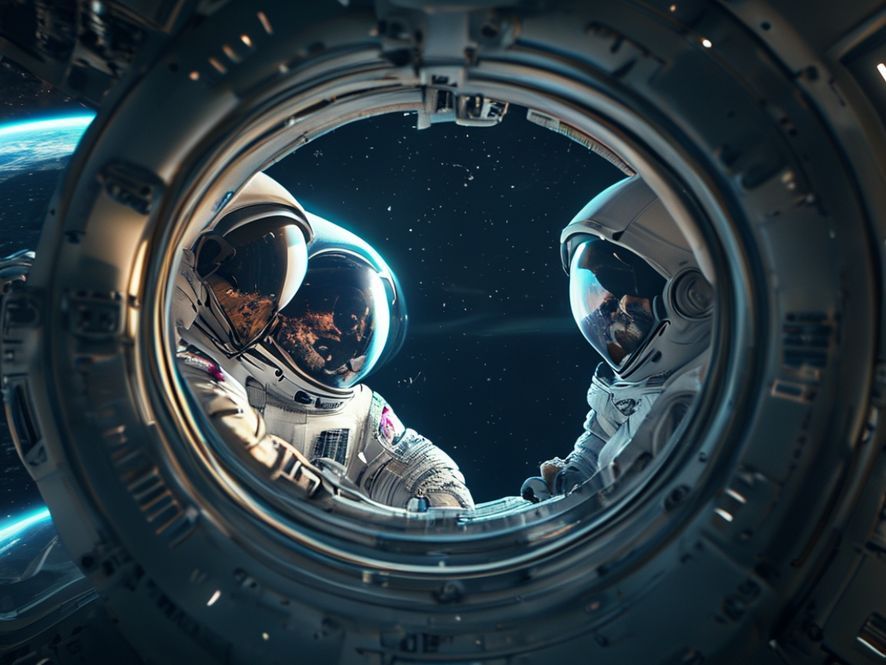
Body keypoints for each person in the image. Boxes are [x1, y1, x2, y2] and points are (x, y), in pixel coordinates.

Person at [176, 174, 473, 511]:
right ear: (285, 305)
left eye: (361, 326)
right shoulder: (204, 371)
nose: (351, 336)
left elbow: (416, 463)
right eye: (343, 315)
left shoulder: (356, 413)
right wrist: (340, 512)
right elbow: (233, 440)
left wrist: (445, 507)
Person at [521, 176, 714, 502]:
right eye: (601, 296)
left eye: (625, 293)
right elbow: (601, 440)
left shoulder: (700, 403)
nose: (610, 314)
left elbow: (613, 497)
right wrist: (569, 481)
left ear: (692, 298)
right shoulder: (639, 390)